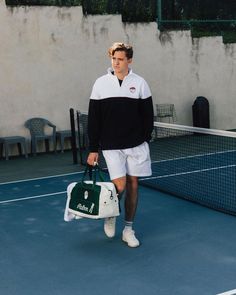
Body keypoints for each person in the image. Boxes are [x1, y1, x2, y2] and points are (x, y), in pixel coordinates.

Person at [87, 42, 154, 247]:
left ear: (129, 60)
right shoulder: (100, 84)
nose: (116, 63)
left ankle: (128, 229)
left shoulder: (140, 83)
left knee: (134, 184)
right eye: (113, 59)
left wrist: (142, 137)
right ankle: (111, 214)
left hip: (135, 145)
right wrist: (93, 148)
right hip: (111, 145)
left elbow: (147, 115)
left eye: (120, 59)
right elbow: (94, 119)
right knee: (120, 185)